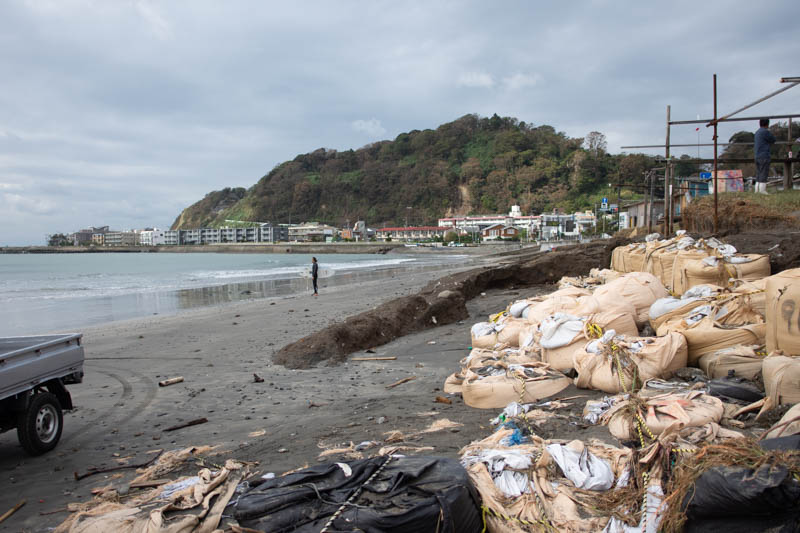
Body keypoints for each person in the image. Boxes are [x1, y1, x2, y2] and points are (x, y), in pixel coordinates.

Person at [754, 118, 776, 194]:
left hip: (757, 155)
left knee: (758, 173)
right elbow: (773, 140)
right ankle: (762, 190)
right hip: (764, 155)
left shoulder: (757, 132)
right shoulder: (765, 132)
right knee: (764, 173)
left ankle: (757, 190)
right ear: (767, 124)